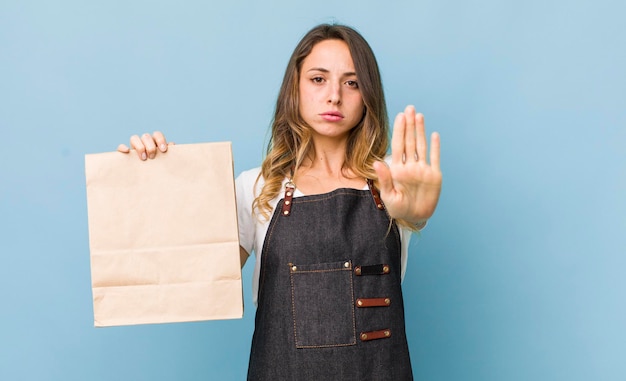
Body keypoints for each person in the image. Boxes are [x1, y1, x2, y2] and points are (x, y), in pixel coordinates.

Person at [119, 23, 441, 381]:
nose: (334, 95)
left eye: (352, 82)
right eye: (318, 79)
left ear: (368, 95)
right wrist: (158, 180)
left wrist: (413, 215)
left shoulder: (394, 182)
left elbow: (411, 210)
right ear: (295, 88)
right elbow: (191, 282)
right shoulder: (256, 187)